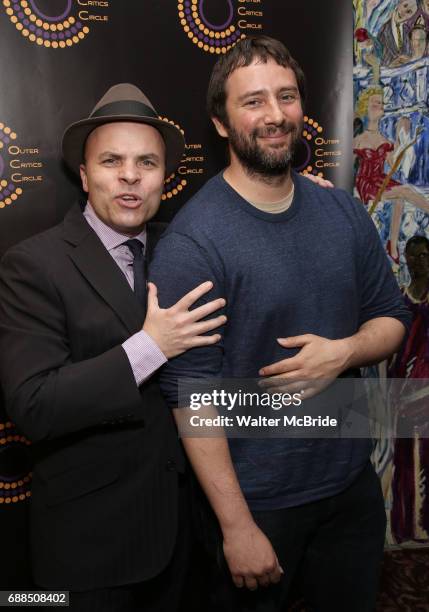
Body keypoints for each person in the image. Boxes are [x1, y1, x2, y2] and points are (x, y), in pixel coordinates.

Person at [149, 35, 411, 611]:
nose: (274, 115)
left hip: (350, 489)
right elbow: (192, 400)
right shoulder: (195, 244)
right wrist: (237, 528)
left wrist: (344, 352)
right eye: (253, 101)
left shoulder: (340, 210)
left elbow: (393, 317)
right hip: (258, 504)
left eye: (286, 97)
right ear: (221, 122)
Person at [0, 83, 227, 611]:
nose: (130, 175)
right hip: (91, 550)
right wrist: (151, 346)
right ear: (84, 176)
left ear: (164, 179)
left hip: (187, 539)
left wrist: (299, 192)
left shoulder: (185, 249)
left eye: (146, 162)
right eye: (111, 160)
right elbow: (35, 404)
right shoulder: (33, 265)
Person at [353, 86, 429, 262]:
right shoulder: (357, 140)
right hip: (366, 183)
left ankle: (392, 246)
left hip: (381, 180)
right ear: (365, 107)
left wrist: (402, 140)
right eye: (375, 103)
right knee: (403, 192)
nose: (379, 106)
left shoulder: (385, 141)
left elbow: (395, 165)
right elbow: (349, 168)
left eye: (381, 103)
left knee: (400, 197)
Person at [388, 235, 429, 543]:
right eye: (414, 256)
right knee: (404, 457)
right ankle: (405, 527)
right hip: (401, 392)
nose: (419, 261)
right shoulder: (401, 299)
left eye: (426, 255)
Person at [377, 0, 418, 65]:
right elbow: (373, 57)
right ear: (400, 3)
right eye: (405, 6)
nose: (403, 12)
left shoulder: (406, 31)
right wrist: (389, 66)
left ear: (411, 16)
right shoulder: (381, 26)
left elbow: (409, 55)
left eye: (409, 12)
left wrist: (408, 59)